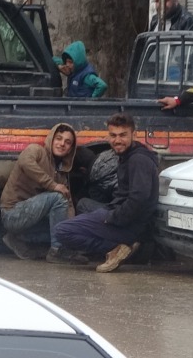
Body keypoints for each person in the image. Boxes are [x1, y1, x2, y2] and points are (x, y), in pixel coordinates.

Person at [53, 113, 159, 273]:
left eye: (123, 135)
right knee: (83, 204)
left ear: (134, 135)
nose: (117, 140)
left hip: (128, 224)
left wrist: (112, 219)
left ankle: (115, 248)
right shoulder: (127, 156)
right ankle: (120, 248)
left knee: (61, 231)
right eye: (113, 135)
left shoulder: (138, 160)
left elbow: (139, 199)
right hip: (119, 213)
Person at [0, 123, 95, 263]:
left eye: (67, 142)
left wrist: (70, 232)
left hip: (32, 220)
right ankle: (57, 251)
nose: (62, 144)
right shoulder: (36, 150)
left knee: (65, 228)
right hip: (13, 214)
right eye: (59, 138)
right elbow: (25, 162)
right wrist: (52, 185)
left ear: (70, 149)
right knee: (58, 197)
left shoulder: (61, 173)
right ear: (51, 139)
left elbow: (67, 205)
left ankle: (19, 239)